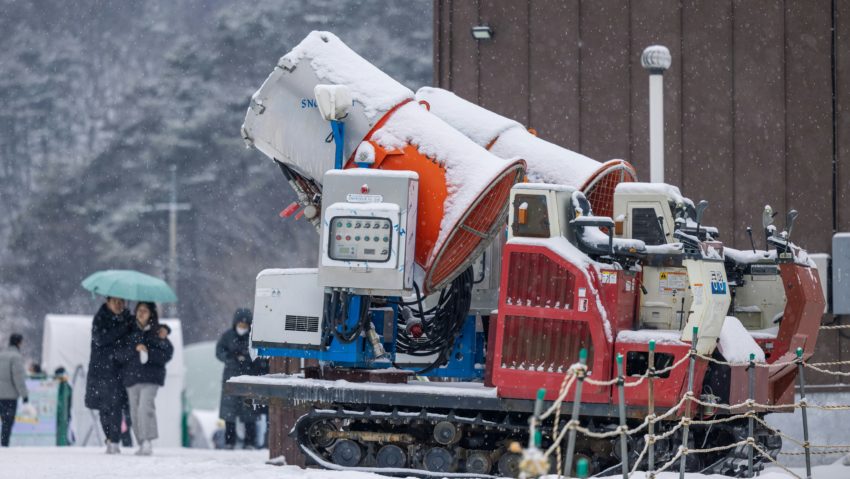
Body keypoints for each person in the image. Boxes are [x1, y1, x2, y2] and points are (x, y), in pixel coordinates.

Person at [119, 302, 173, 456]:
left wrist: (149, 352)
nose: (141, 313)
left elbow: (167, 354)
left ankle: (148, 440)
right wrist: (134, 349)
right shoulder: (128, 331)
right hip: (131, 377)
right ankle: (141, 441)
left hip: (151, 378)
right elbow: (120, 354)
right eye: (139, 310)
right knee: (134, 411)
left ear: (151, 314)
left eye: (145, 311)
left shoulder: (158, 332)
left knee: (145, 407)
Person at [85, 296, 132, 454]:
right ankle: (110, 438)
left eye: (122, 302)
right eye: (116, 302)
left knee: (118, 406)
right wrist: (121, 329)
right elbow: (100, 339)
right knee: (104, 408)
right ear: (108, 302)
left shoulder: (128, 320)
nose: (119, 305)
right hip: (101, 371)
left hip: (120, 370)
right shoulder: (100, 318)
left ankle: (116, 439)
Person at [216, 308, 257, 449]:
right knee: (229, 412)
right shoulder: (227, 336)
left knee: (249, 411)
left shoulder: (253, 337)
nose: (242, 328)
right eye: (240, 325)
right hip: (230, 378)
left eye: (245, 326)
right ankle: (229, 442)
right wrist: (231, 358)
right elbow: (219, 351)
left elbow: (257, 356)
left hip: (248, 379)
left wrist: (247, 359)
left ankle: (250, 442)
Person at [0, 333, 29, 447]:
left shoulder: (1, 354)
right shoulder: (16, 357)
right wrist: (24, 395)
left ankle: (3, 443)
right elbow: (18, 378)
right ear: (19, 342)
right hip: (10, 396)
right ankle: (4, 444)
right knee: (8, 422)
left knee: (4, 420)